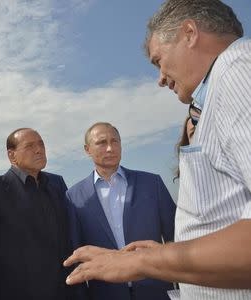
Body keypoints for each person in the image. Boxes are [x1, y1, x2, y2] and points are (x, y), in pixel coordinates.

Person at [64, 0, 251, 299]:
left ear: (189, 33)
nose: (160, 77)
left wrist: (142, 261)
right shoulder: (220, 87)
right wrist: (168, 254)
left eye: (157, 60)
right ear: (87, 150)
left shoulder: (238, 72)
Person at [66, 122, 176, 300]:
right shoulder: (74, 196)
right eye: (102, 143)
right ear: (87, 149)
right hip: (105, 293)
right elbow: (77, 251)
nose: (110, 148)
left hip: (156, 289)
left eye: (115, 141)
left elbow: (175, 237)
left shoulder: (152, 183)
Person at [0, 128, 74, 300]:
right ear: (12, 155)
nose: (39, 149)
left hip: (63, 291)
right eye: (30, 146)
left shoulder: (57, 184)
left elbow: (68, 239)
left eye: (41, 144)